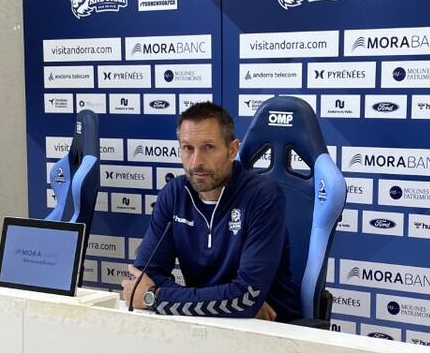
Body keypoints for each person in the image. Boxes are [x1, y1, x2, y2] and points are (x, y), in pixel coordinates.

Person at [122, 102, 301, 321]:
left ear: (232, 150)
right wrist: (229, 305)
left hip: (273, 328)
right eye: (188, 148)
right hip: (202, 324)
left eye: (208, 147)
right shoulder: (174, 194)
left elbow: (246, 298)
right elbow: (143, 278)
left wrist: (155, 297)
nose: (196, 162)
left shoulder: (263, 196)